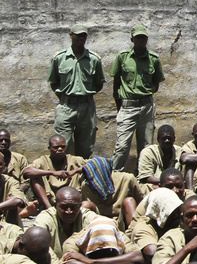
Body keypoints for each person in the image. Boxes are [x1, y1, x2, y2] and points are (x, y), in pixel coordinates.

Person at [109, 25, 164, 172]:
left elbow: (156, 84)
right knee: (122, 146)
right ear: (132, 39)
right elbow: (116, 86)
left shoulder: (154, 59)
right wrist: (120, 108)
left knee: (146, 147)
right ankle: (116, 177)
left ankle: (144, 178)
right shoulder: (123, 57)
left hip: (146, 107)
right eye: (138, 37)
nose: (141, 40)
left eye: (143, 37)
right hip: (127, 106)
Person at [48, 24, 105, 159]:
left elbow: (99, 84)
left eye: (84, 35)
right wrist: (66, 97)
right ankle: (62, 176)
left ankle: (81, 176)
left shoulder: (94, 59)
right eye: (78, 35)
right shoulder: (59, 58)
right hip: (66, 106)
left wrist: (84, 95)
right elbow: (53, 82)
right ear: (71, 35)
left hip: (86, 107)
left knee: (85, 147)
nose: (81, 38)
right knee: (62, 145)